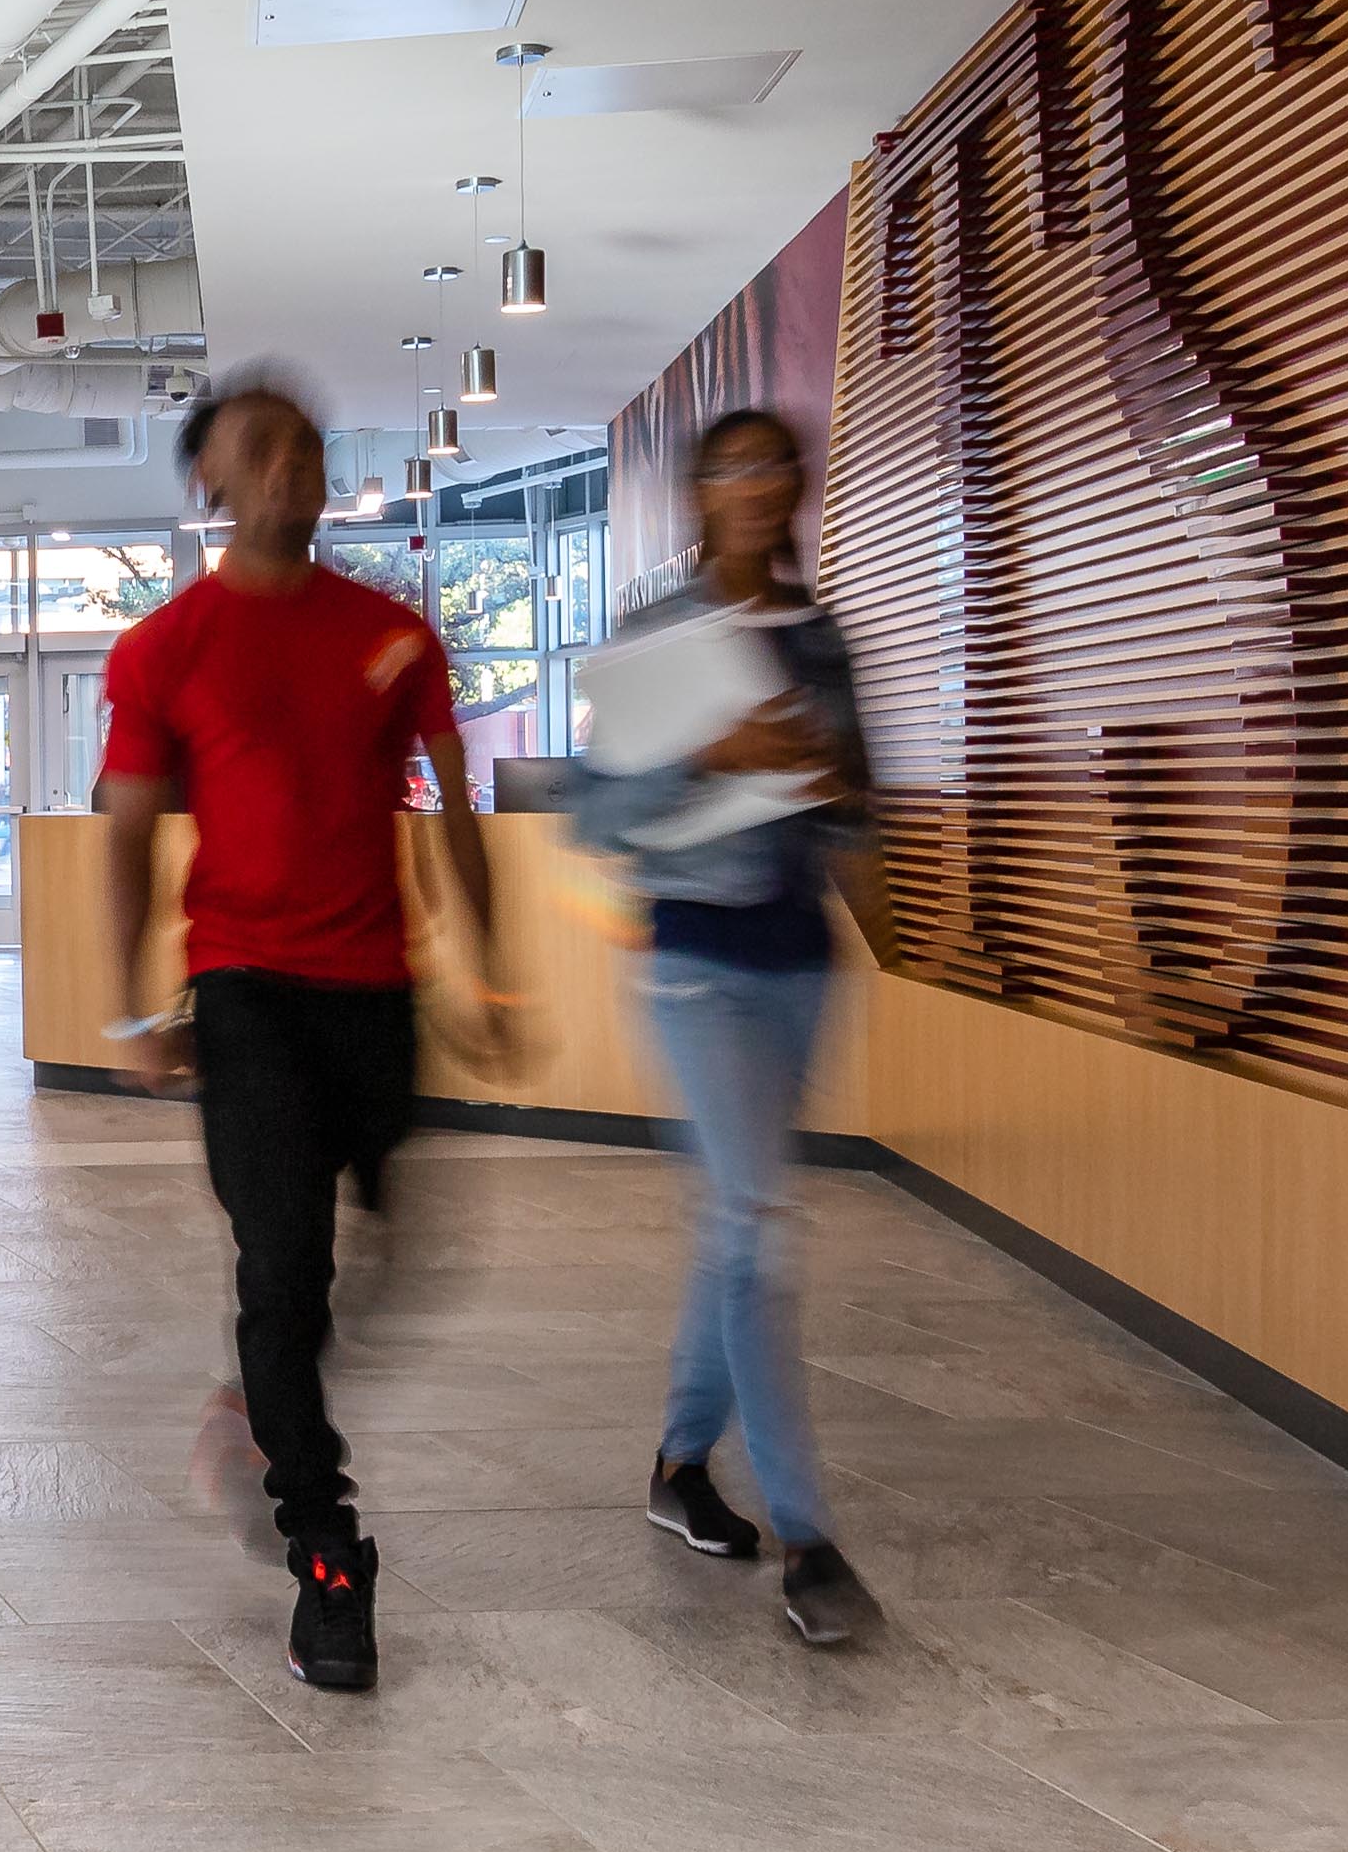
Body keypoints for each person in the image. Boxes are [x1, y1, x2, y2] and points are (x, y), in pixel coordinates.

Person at [93, 375, 515, 1698]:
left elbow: (451, 808)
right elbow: (124, 828)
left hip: (372, 991)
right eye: (257, 448)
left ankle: (252, 1399)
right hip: (245, 990)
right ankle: (323, 1552)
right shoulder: (162, 647)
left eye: (307, 446)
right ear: (206, 480)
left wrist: (486, 970)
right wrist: (130, 1006)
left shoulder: (390, 634)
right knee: (283, 1268)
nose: (290, 465)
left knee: (410, 1252)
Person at [567, 405, 882, 1651]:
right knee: (756, 1225)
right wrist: (714, 751)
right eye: (733, 467)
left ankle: (678, 1464)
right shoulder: (657, 637)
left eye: (776, 466)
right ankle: (807, 1536)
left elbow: (857, 812)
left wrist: (828, 778)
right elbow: (600, 820)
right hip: (692, 961)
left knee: (732, 1227)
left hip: (802, 960)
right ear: (700, 493)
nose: (757, 485)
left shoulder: (821, 638)